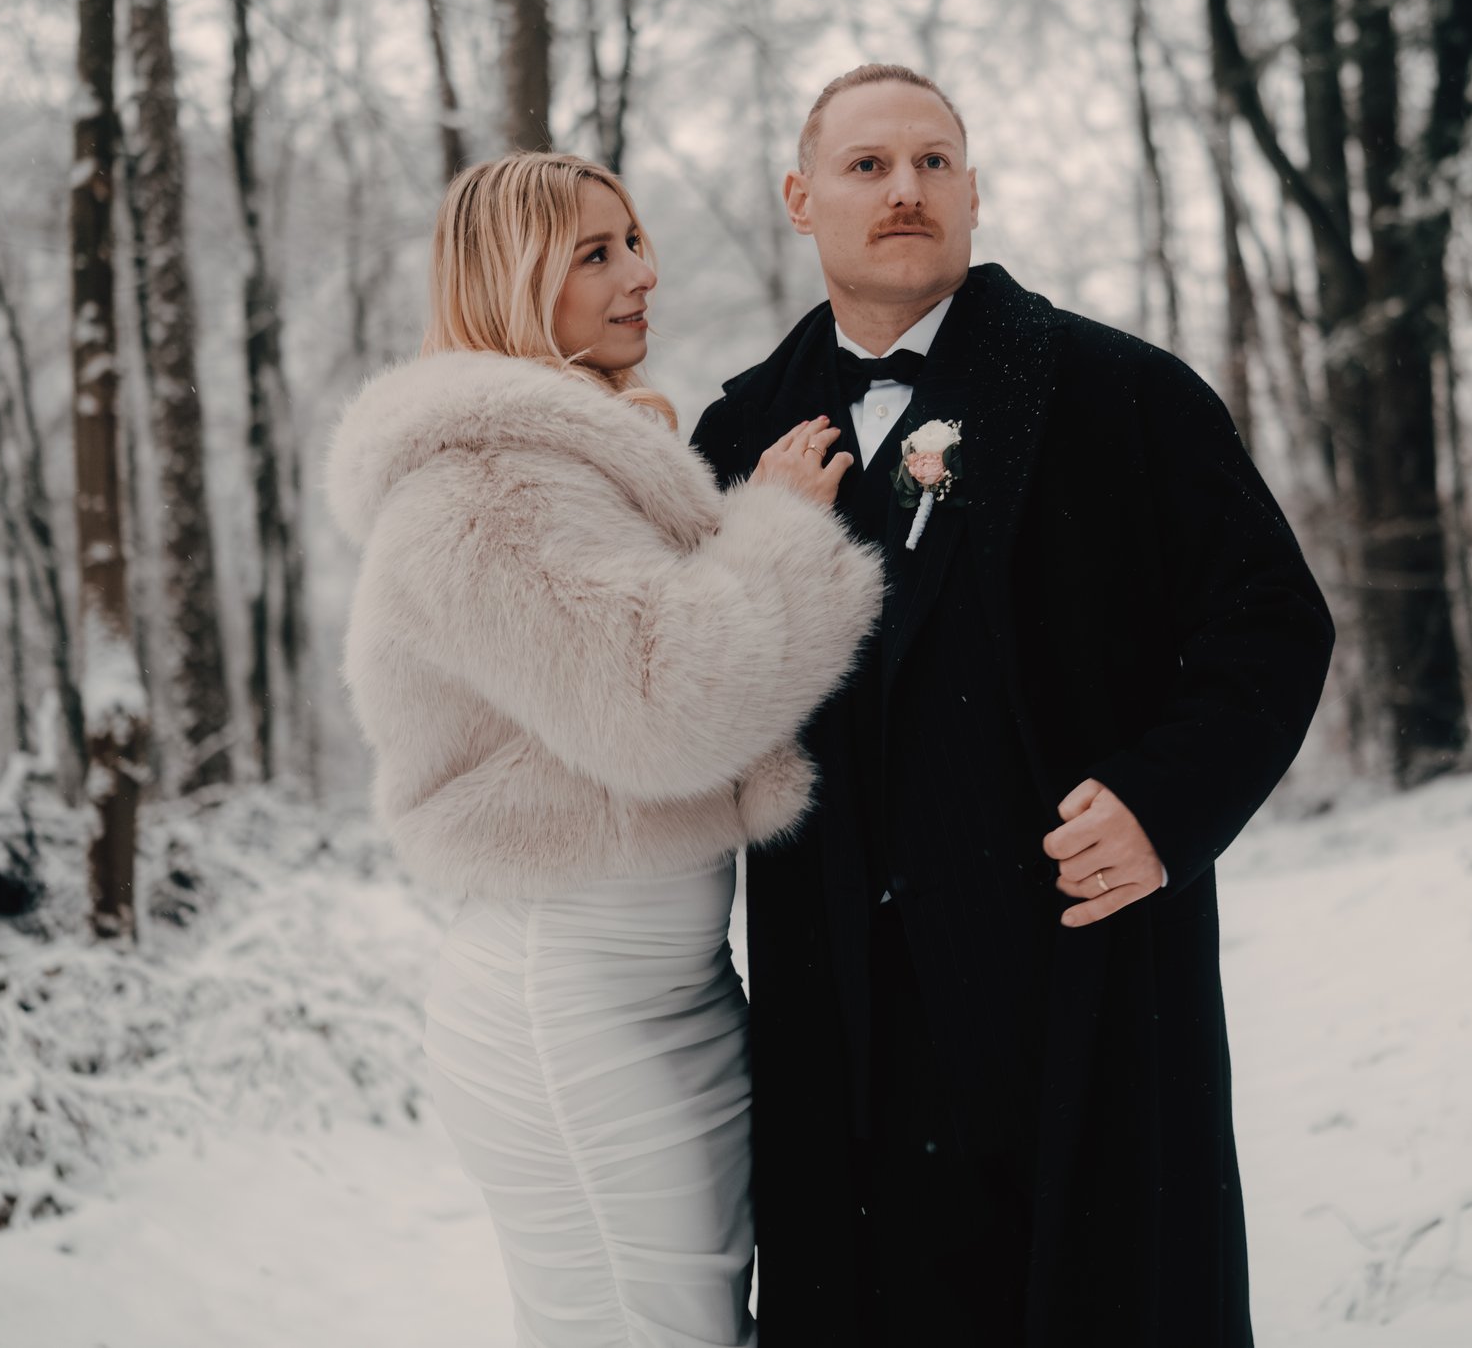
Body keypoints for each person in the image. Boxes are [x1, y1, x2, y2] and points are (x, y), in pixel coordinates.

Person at [690, 65, 1335, 1347]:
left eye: (934, 162)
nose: (905, 190)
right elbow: (686, 696)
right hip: (845, 1012)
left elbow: (1271, 620)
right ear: (799, 195)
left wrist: (1165, 800)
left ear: (974, 192)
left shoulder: (1118, 392)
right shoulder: (739, 431)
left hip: (1078, 987)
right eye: (867, 165)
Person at [325, 151, 883, 1348]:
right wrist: (778, 527)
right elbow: (662, 701)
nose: (644, 272)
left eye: (633, 239)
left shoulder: (562, 461)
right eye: (596, 252)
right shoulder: (482, 483)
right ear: (511, 280)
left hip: (666, 993)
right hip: (567, 1002)